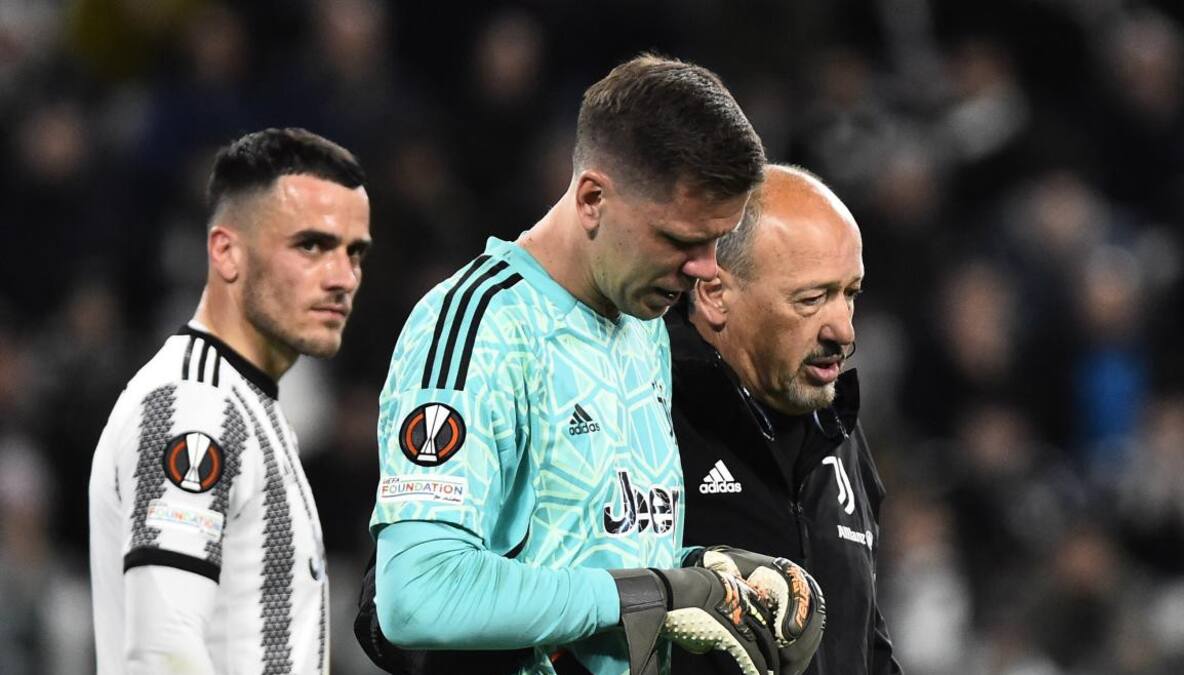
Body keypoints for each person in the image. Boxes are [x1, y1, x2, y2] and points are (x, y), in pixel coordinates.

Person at [357, 55, 823, 675]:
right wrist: (649, 593)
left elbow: (583, 550)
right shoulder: (481, 327)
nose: (707, 267)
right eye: (682, 240)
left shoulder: (644, 323)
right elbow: (416, 595)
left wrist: (708, 575)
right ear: (594, 198)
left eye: (718, 239)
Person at [88, 127, 372, 674]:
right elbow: (162, 651)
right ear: (226, 252)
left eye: (354, 252)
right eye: (311, 245)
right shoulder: (196, 405)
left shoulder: (247, 404)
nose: (343, 278)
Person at [669, 164, 903, 675]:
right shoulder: (649, 410)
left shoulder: (837, 430)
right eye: (812, 299)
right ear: (715, 295)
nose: (843, 329)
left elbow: (863, 642)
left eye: (850, 294)